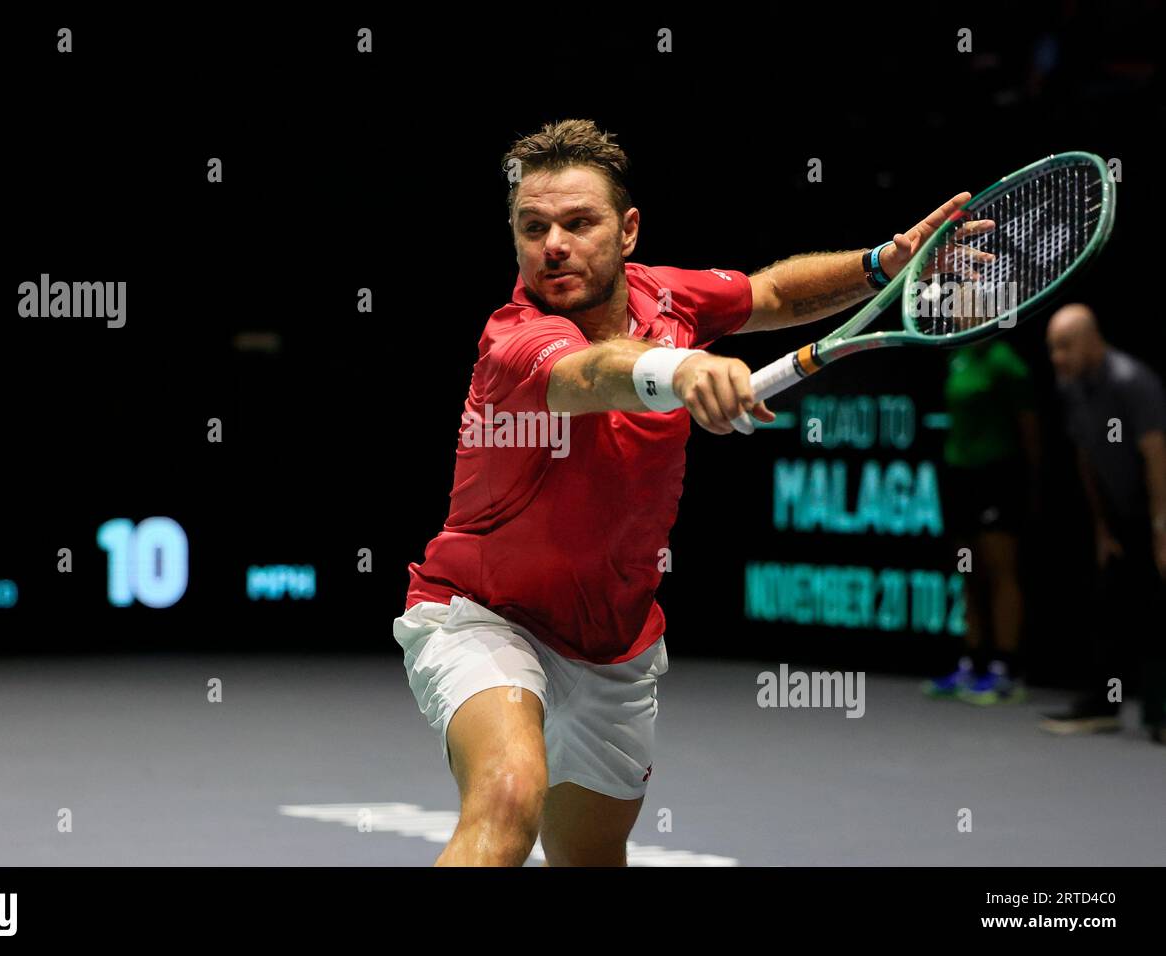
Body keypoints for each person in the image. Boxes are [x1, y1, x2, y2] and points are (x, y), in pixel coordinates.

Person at [394, 118, 984, 866]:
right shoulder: (513, 339)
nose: (554, 246)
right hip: (483, 616)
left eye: (579, 223)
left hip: (615, 645)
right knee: (508, 795)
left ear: (628, 230)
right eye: (533, 227)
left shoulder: (672, 300)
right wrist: (681, 372)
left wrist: (882, 265)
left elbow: (769, 292)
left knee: (591, 857)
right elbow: (589, 376)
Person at [1042, 304, 1166, 742]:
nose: (1057, 357)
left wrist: (1160, 529)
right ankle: (1102, 705)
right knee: (1110, 607)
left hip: (1155, 508)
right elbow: (1086, 455)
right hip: (1117, 516)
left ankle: (1160, 716)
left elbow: (1156, 455)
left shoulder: (1132, 382)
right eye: (1052, 349)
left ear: (1093, 339)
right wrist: (1101, 527)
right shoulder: (1071, 384)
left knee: (1158, 612)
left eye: (1065, 346)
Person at [924, 340, 1041, 705]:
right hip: (961, 477)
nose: (957, 311)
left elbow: (1029, 427)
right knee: (968, 572)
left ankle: (1005, 669)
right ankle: (972, 663)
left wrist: (1033, 483)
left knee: (999, 571)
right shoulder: (956, 358)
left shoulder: (1007, 363)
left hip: (999, 476)